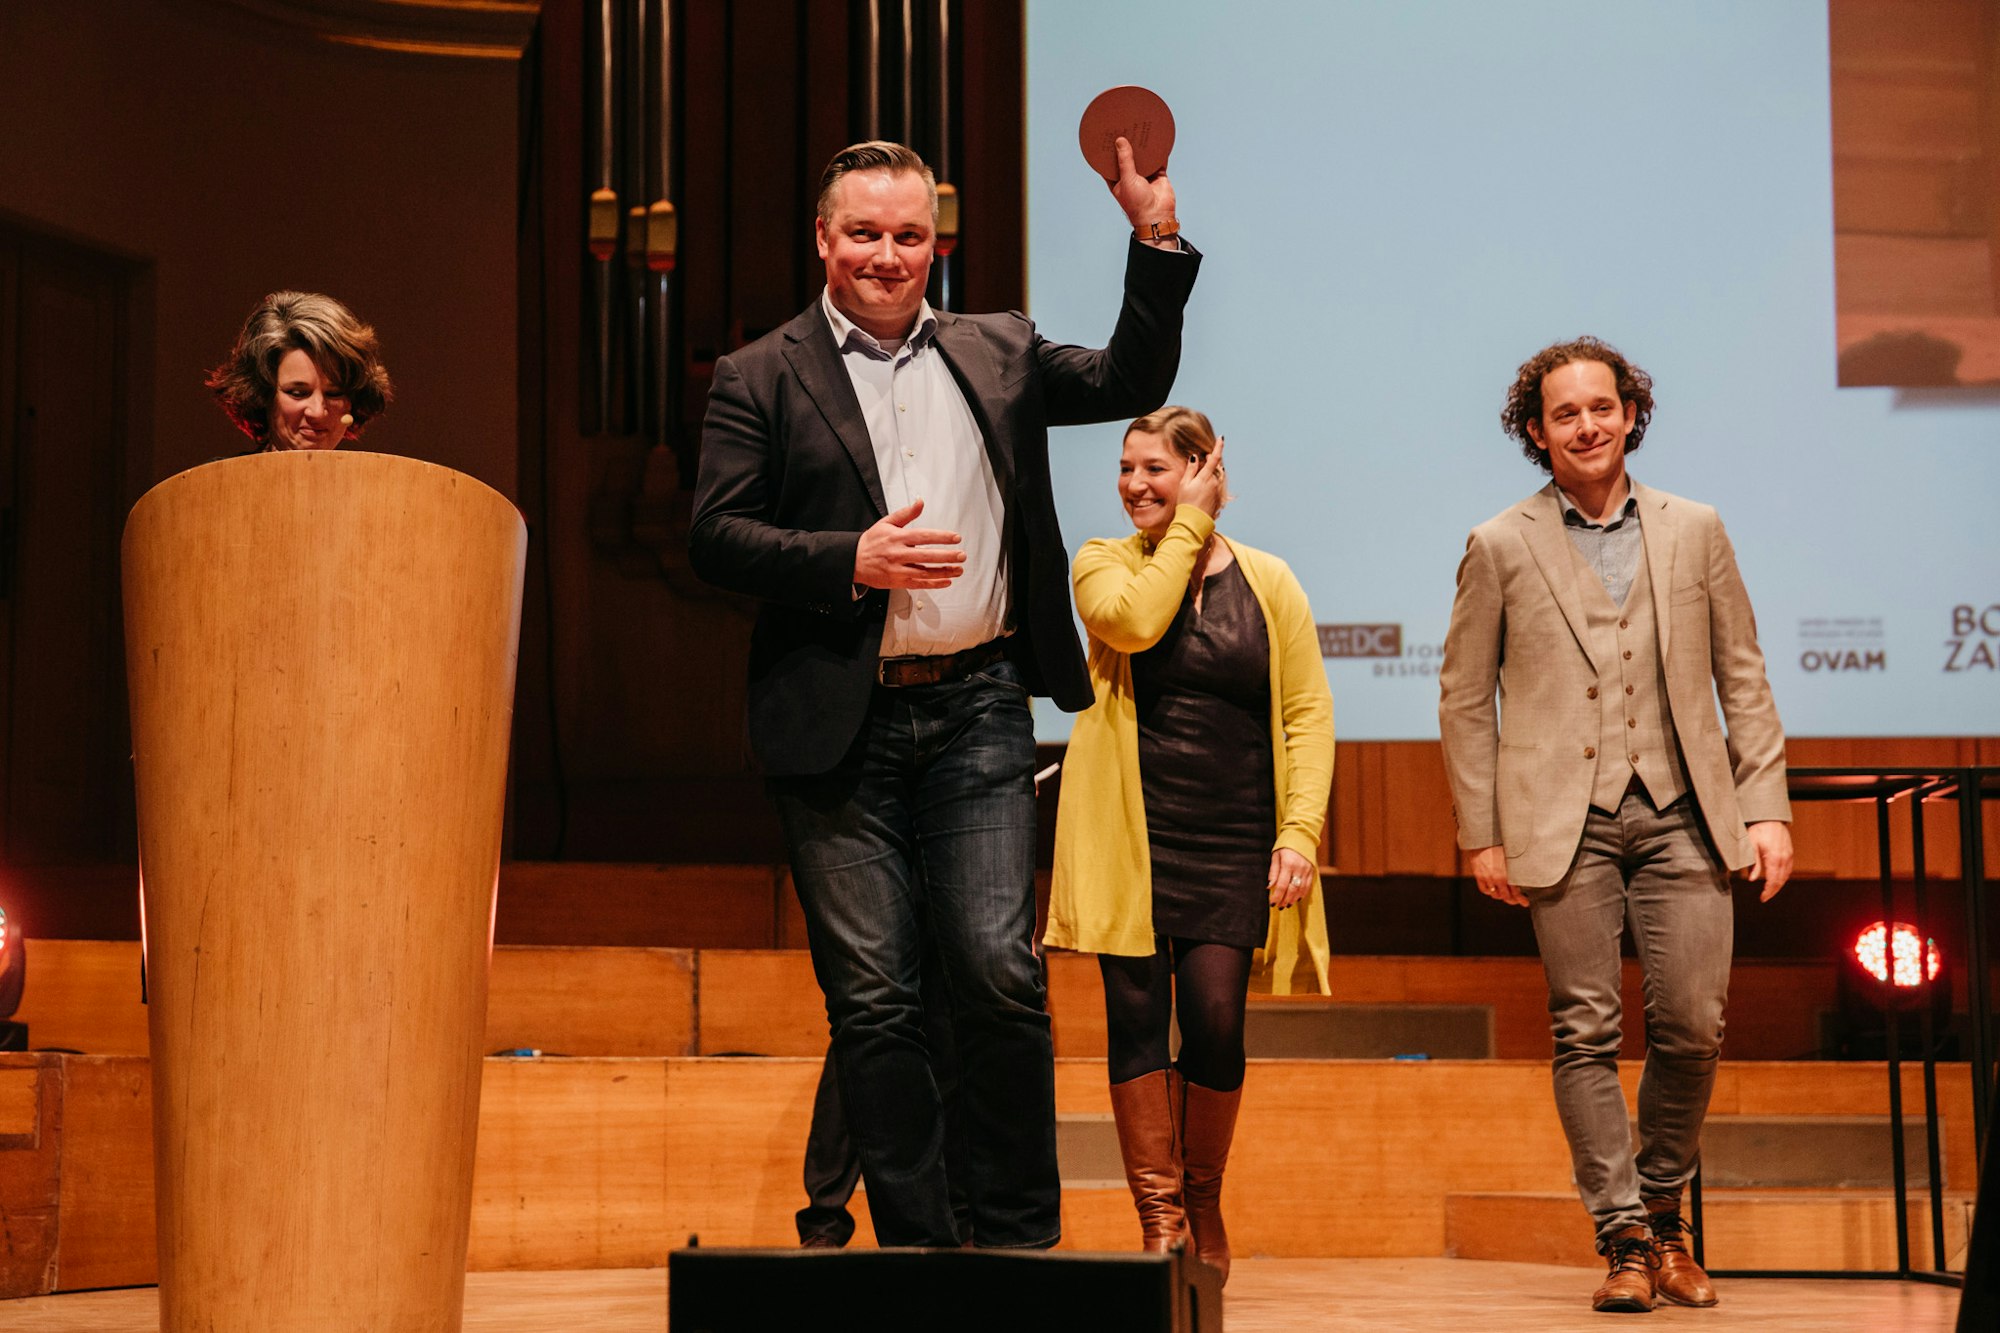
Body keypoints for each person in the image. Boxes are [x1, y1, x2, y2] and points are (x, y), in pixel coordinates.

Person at [688, 139, 1197, 1248]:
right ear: (823, 239)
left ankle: (1011, 1241)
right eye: (862, 233)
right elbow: (714, 537)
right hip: (840, 724)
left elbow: (1129, 382)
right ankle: (920, 1250)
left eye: (907, 235)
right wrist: (844, 559)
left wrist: (1151, 239)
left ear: (937, 243)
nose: (885, 255)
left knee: (995, 976)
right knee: (874, 999)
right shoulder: (760, 374)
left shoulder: (998, 347)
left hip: (977, 707)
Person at [1438, 337, 1793, 1314]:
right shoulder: (1500, 542)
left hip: (1683, 808)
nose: (1586, 425)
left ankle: (1664, 1209)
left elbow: (1742, 675)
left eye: (1602, 407)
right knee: (1583, 1029)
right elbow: (1464, 698)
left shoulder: (1694, 529)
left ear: (1629, 413)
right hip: (1563, 822)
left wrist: (1764, 806)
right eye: (1564, 413)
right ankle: (1627, 1235)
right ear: (1533, 430)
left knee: (1691, 1025)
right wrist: (1480, 831)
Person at [1043, 407, 1333, 1283]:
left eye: (1156, 470)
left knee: (1213, 1020)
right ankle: (1161, 1217)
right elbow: (1132, 622)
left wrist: (1299, 831)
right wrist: (1189, 525)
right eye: (1125, 468)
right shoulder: (1100, 561)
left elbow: (1307, 714)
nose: (1134, 484)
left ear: (1204, 469)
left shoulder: (1271, 581)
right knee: (1134, 1017)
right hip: (1130, 834)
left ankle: (1202, 1192)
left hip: (1232, 832)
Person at [206, 290, 392, 452]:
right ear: (261, 396)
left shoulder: (383, 489)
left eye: (334, 394)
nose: (318, 412)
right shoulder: (210, 486)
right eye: (297, 393)